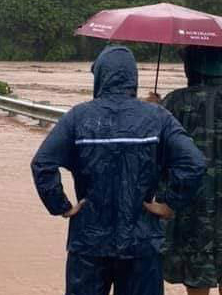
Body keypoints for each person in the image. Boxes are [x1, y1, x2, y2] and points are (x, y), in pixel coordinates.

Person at [31, 45, 206, 295]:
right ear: (133, 77)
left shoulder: (78, 117)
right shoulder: (158, 117)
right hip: (142, 242)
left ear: (101, 76)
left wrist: (61, 205)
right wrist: (170, 204)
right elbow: (194, 162)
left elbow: (42, 163)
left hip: (89, 242)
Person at [162, 45, 222, 295]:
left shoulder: (175, 101)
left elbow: (156, 154)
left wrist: (153, 108)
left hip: (191, 211)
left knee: (197, 276)